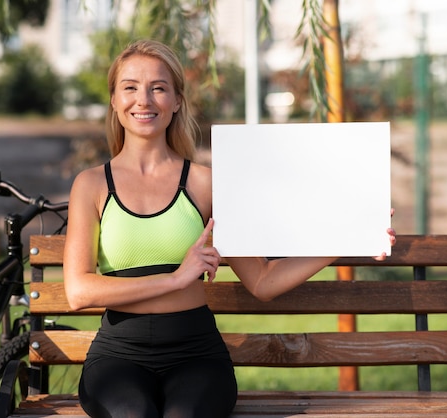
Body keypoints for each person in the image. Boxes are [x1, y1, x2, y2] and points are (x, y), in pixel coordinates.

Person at [63, 39, 396, 418]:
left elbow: (263, 281)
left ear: (176, 101)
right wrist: (175, 278)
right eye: (130, 87)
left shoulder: (206, 184)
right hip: (117, 356)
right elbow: (78, 290)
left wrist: (351, 235)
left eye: (158, 87)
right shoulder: (91, 185)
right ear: (113, 100)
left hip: (196, 355)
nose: (144, 100)